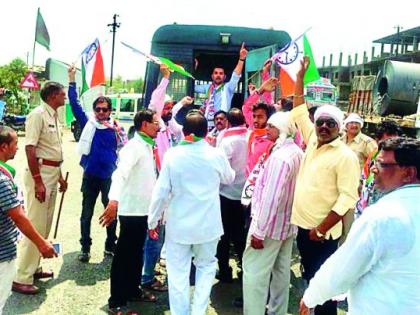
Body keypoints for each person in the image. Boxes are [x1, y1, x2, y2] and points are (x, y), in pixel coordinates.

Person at [300, 137, 420, 315]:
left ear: (409, 173)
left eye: (381, 164)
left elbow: (342, 270)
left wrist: (311, 297)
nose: (373, 169)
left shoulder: (382, 216)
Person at [290, 57, 360, 315]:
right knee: (311, 280)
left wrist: (320, 230)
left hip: (321, 235)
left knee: (325, 288)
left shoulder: (345, 156)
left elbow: (347, 199)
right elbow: (298, 110)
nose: (324, 126)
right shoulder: (311, 140)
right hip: (304, 228)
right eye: (321, 122)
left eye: (331, 123)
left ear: (338, 128)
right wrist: (300, 76)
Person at [148, 110, 235, 315]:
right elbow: (229, 178)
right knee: (206, 269)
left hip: (179, 226)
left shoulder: (172, 154)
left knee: (178, 273)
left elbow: (161, 192)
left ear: (185, 131)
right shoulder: (216, 154)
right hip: (208, 226)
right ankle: (199, 311)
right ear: (206, 133)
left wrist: (152, 221)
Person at [99, 109, 160, 315]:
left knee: (136, 254)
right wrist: (113, 201)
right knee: (124, 256)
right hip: (131, 210)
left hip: (144, 210)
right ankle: (116, 301)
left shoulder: (147, 147)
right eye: (155, 122)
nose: (158, 126)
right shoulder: (133, 148)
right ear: (144, 125)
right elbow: (120, 175)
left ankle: (133, 290)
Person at [243, 112, 303, 315]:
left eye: (271, 126)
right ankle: (277, 311)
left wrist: (259, 232)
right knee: (280, 274)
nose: (266, 129)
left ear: (283, 129)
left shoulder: (280, 158)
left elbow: (271, 198)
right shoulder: (296, 152)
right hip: (286, 225)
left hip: (268, 227)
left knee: (254, 274)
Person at [68, 66, 127, 262]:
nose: (101, 112)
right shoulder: (88, 124)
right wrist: (72, 81)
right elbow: (75, 105)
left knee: (111, 214)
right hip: (91, 176)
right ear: (94, 110)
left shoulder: (116, 128)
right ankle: (85, 247)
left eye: (105, 109)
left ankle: (110, 245)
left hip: (110, 178)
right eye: (98, 109)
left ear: (110, 111)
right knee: (86, 214)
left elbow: (125, 149)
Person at [13, 81, 68, 295]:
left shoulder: (53, 115)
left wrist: (60, 177)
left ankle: (34, 268)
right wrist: (37, 180)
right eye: (62, 94)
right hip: (41, 175)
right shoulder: (37, 115)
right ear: (53, 95)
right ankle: (21, 277)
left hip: (52, 174)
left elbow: (52, 150)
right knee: (34, 225)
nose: (65, 98)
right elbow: (30, 148)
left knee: (44, 225)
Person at [0, 126, 57, 312]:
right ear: (3, 147)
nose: (18, 147)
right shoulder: (2, 180)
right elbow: (18, 217)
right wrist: (41, 244)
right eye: (15, 143)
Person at [216, 108, 248, 282]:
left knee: (224, 236)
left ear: (228, 122)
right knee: (241, 236)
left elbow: (221, 170)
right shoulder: (250, 136)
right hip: (246, 195)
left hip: (227, 194)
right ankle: (244, 269)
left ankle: (223, 270)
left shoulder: (226, 140)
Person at [195, 43, 248, 129]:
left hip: (223, 123)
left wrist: (241, 59)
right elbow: (192, 86)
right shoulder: (207, 87)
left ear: (224, 77)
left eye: (221, 73)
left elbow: (235, 76)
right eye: (216, 73)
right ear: (212, 76)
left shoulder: (228, 88)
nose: (218, 75)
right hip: (207, 123)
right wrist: (194, 68)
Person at [356, 120, 402, 216]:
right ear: (377, 140)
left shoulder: (401, 161)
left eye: (395, 142)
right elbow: (364, 180)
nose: (391, 146)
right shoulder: (373, 156)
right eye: (387, 142)